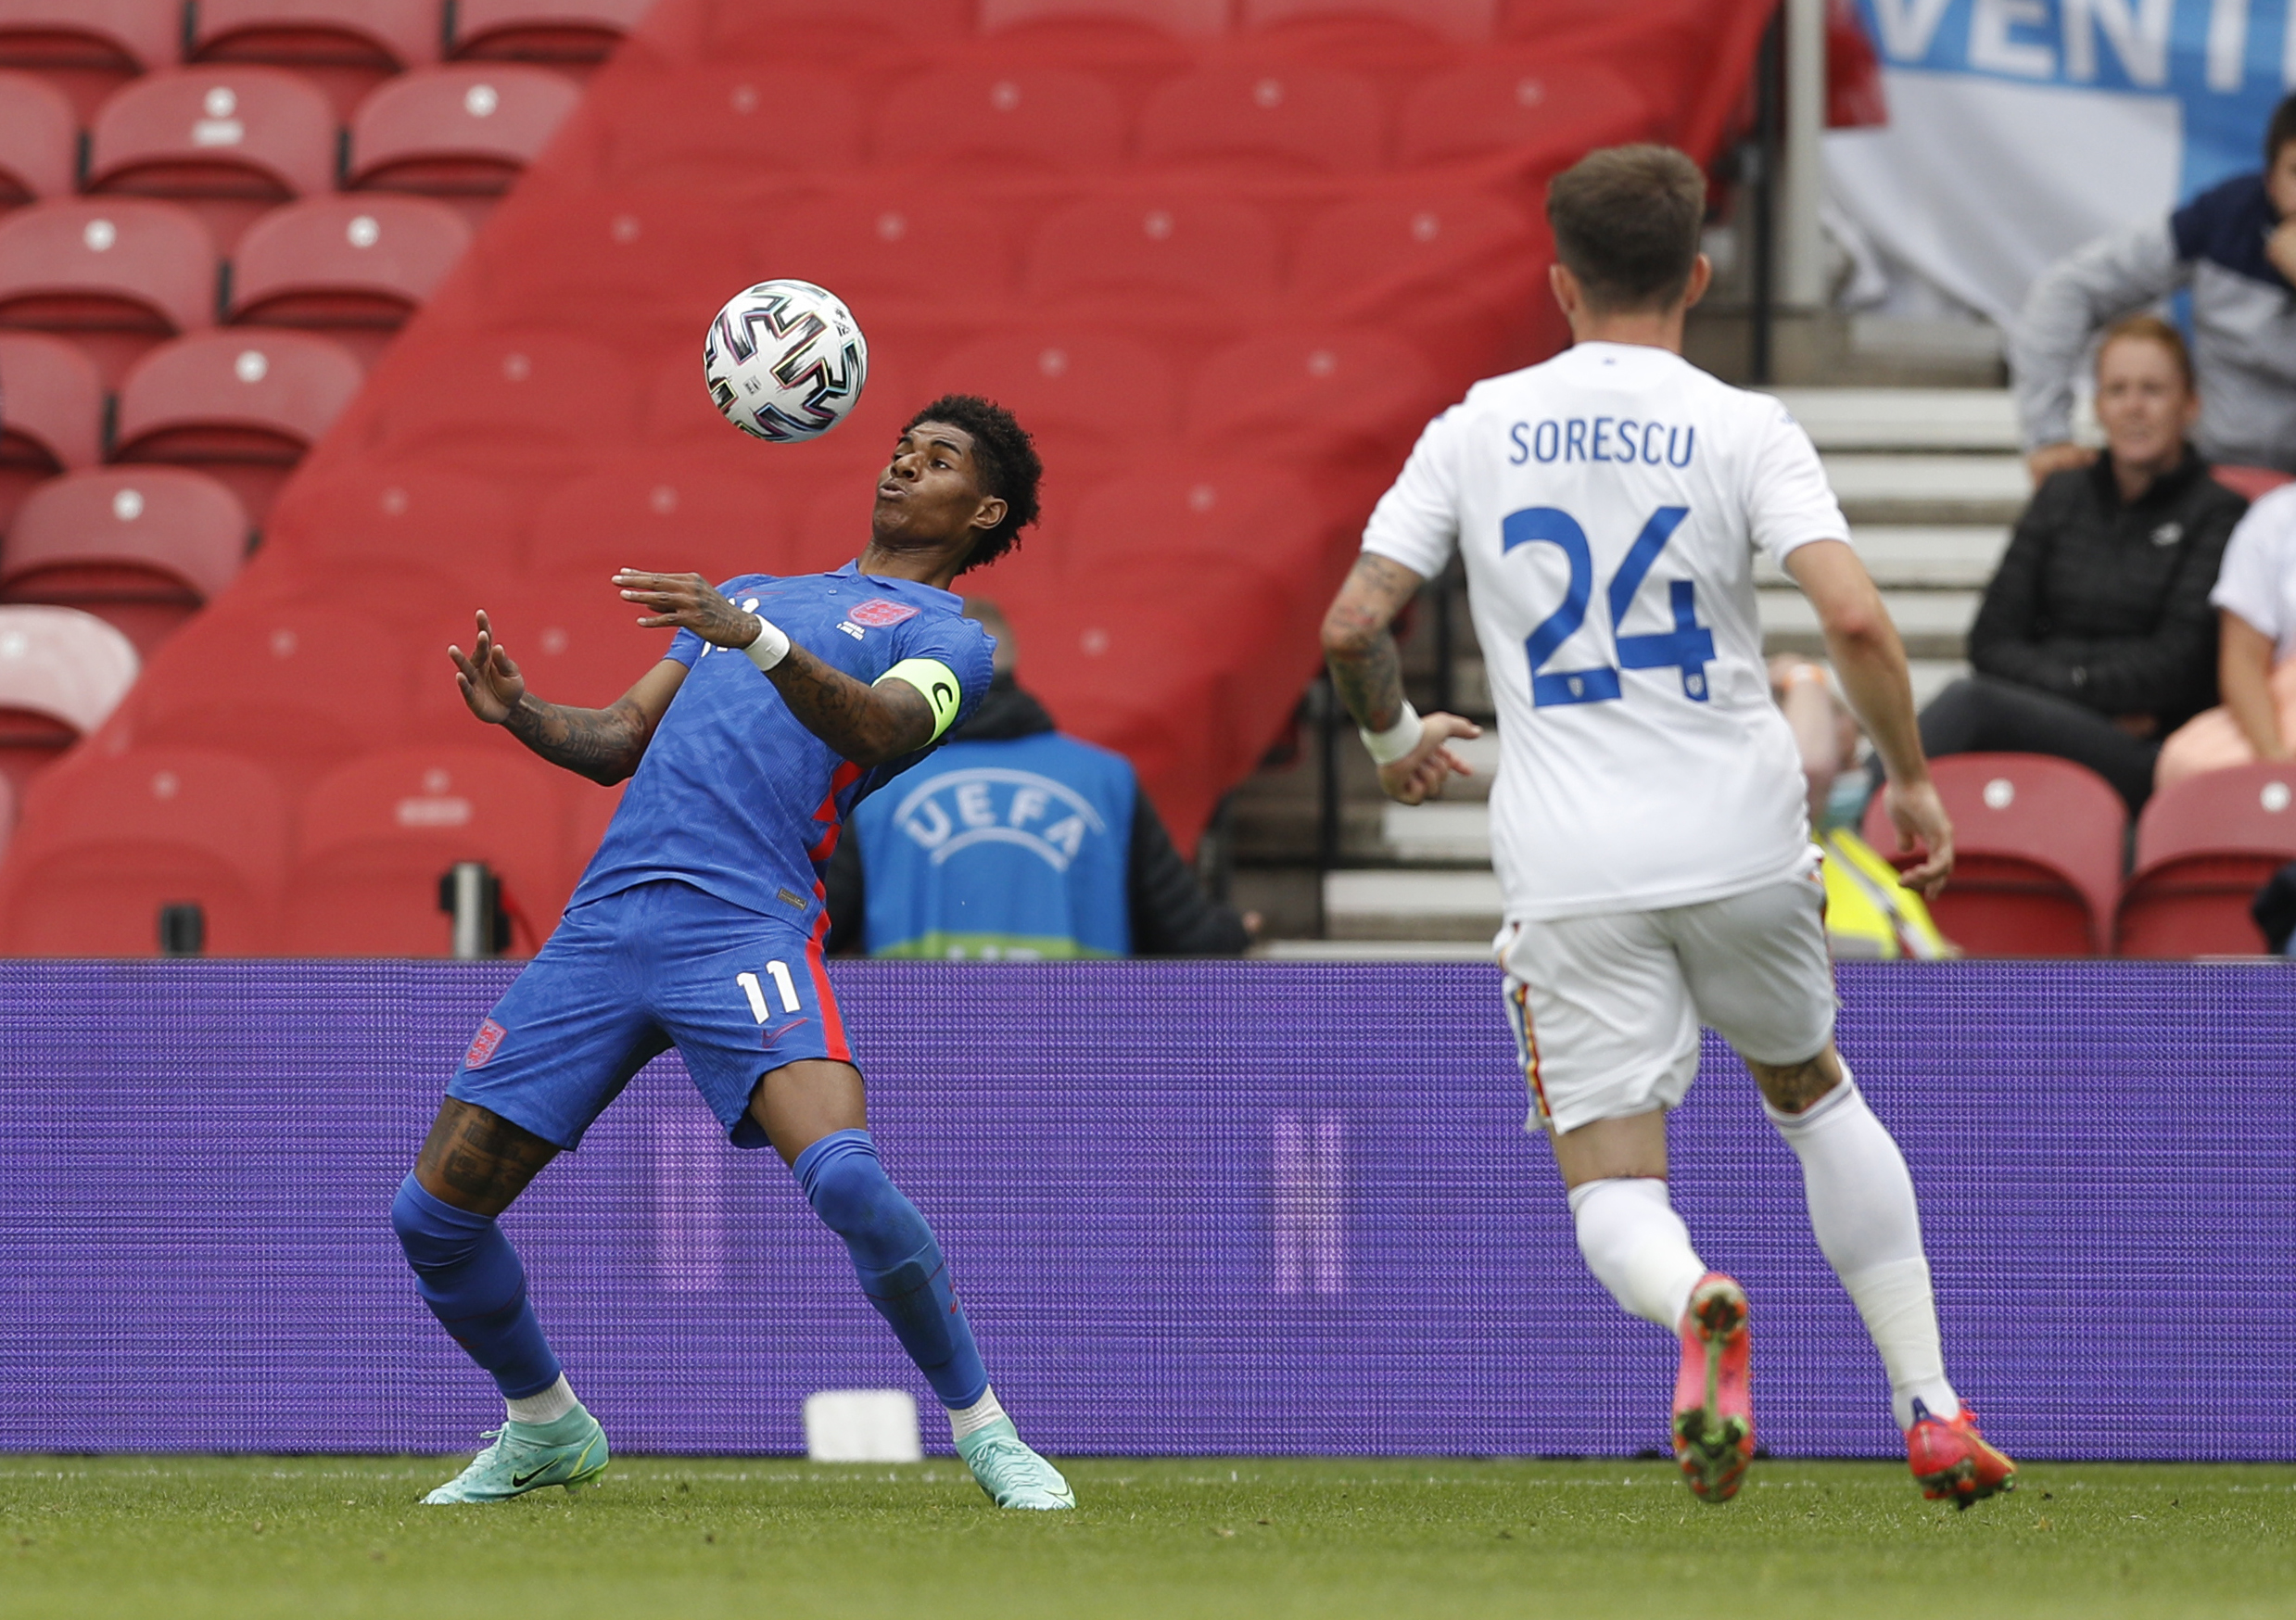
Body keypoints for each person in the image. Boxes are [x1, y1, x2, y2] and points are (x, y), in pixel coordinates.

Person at [1320, 144, 2014, 1508]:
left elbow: (1353, 624)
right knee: (1814, 1095)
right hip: (1745, 838)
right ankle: (1929, 1407)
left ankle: (1698, 1298)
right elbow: (1857, 619)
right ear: (1697, 274)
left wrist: (1398, 744)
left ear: (1557, 282)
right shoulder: (1741, 425)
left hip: (1572, 863)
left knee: (1611, 1185)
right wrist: (1912, 779)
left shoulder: (1476, 424)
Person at [393, 396, 1074, 1512]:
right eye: (902, 447)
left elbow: (877, 729)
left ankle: (987, 1432)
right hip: (605, 925)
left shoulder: (945, 636)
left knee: (847, 1177)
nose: (905, 462)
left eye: (938, 458)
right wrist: (522, 714)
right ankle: (545, 1425)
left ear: (983, 508)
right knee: (432, 1216)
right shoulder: (750, 594)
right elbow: (618, 740)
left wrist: (747, 636)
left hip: (743, 923)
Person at [1921, 315, 2244, 816]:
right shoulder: (2061, 495)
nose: (2134, 406)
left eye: (2153, 390)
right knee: (1968, 707)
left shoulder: (2220, 511)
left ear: (2190, 404)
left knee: (1968, 705)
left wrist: (2062, 687)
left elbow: (2183, 665)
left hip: (2149, 751)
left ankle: (1852, 838)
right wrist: (2078, 693)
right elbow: (1990, 639)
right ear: (2097, 406)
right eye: (2117, 390)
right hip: (2075, 717)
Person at [825, 599, 1254, 959]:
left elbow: (817, 932)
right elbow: (1190, 941)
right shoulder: (1104, 780)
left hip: (920, 1038)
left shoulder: (881, 786)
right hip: (1078, 1042)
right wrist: (1239, 930)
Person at [2011, 94, 2296, 480]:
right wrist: (2049, 436)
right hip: (2216, 486)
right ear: (2271, 181)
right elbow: (2066, 292)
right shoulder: (2221, 220)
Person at [2156, 481, 2296, 788]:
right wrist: (2273, 757)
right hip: (2281, 711)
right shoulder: (2279, 516)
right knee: (2192, 763)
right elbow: (2243, 658)